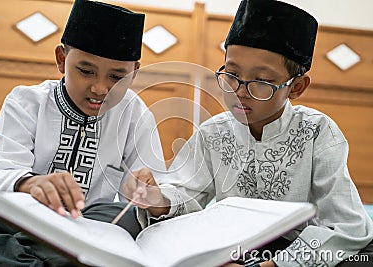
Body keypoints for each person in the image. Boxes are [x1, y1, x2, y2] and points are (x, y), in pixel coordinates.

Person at [124, 0, 373, 266]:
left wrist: (275, 265)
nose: (239, 91)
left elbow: (345, 223)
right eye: (231, 74)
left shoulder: (317, 132)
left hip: (298, 250)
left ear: (297, 87)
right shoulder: (213, 132)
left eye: (262, 81)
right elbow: (187, 195)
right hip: (235, 248)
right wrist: (157, 199)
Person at [0, 0, 165, 265]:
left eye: (116, 77)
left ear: (134, 74)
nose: (100, 88)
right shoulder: (27, 101)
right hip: (18, 219)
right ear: (62, 59)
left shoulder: (136, 115)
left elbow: (155, 199)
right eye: (86, 71)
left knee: (123, 217)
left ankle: (14, 256)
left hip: (85, 225)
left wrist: (151, 195)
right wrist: (30, 184)